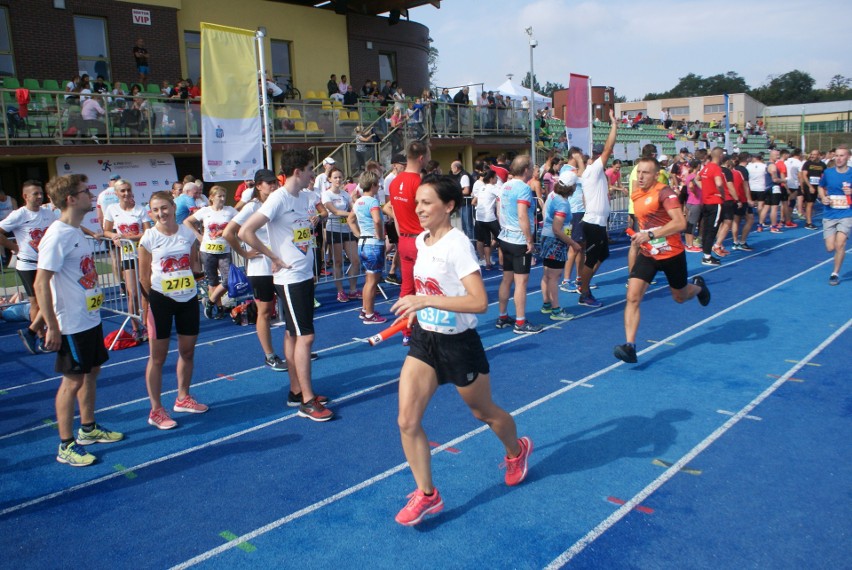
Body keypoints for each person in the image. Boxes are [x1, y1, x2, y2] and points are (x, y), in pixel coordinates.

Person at [391, 175, 533, 527]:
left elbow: (479, 302)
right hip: (426, 339)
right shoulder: (422, 242)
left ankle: (516, 451)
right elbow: (424, 288)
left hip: (459, 344)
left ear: (449, 206)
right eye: (417, 202)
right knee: (407, 420)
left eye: (427, 203)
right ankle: (427, 494)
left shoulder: (457, 245)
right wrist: (415, 307)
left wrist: (426, 299)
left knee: (483, 412)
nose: (419, 208)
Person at [35, 174, 123, 466]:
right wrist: (52, 325)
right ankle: (65, 444)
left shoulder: (76, 231)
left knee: (92, 372)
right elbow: (40, 283)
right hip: (70, 323)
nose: (92, 194)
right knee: (71, 381)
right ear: (71, 199)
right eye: (86, 191)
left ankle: (88, 429)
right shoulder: (57, 235)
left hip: (90, 317)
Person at [239, 155, 333, 421]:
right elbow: (246, 231)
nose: (312, 175)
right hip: (289, 278)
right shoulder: (278, 198)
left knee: (294, 334)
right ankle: (307, 400)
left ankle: (296, 391)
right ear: (296, 171)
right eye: (309, 170)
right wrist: (272, 257)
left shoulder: (303, 197)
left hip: (303, 275)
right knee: (306, 337)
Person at [614, 158, 711, 363]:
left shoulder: (665, 193)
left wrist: (650, 235)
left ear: (656, 175)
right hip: (649, 254)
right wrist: (641, 237)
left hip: (671, 253)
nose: (640, 176)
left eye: (646, 173)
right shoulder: (636, 193)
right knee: (632, 297)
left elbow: (680, 222)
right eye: (638, 172)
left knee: (680, 296)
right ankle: (630, 346)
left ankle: (699, 288)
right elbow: (645, 221)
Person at [138, 191, 207, 429]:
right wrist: (147, 305)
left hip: (187, 298)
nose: (161, 213)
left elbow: (192, 264)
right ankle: (156, 409)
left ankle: (183, 397)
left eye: (164, 208)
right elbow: (144, 276)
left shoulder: (187, 234)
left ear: (172, 206)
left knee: (187, 352)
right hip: (161, 301)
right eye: (156, 210)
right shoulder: (148, 237)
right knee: (157, 358)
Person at [224, 170, 287, 372]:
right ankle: (269, 356)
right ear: (258, 186)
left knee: (290, 308)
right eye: (269, 183)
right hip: (261, 268)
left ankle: (295, 349)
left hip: (282, 265)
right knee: (265, 312)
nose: (273, 186)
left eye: (275, 182)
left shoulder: (279, 203)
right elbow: (228, 232)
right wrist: (244, 252)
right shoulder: (252, 206)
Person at [1, 180, 55, 353]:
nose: (39, 197)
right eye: (35, 194)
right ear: (25, 197)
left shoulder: (48, 213)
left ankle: (33, 333)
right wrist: (14, 248)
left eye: (41, 193)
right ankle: (39, 337)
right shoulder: (19, 214)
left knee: (53, 299)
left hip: (46, 265)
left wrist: (92, 233)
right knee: (36, 303)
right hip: (28, 265)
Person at [388, 140, 429, 345]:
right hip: (420, 241)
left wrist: (400, 234)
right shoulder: (419, 183)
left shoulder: (395, 181)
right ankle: (426, 330)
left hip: (404, 240)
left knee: (406, 288)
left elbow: (393, 211)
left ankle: (406, 331)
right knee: (427, 288)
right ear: (421, 157)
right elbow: (426, 213)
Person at [495, 155, 542, 334]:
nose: (532, 170)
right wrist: (529, 239)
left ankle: (502, 316)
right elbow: (523, 215)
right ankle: (520, 322)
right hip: (518, 240)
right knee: (520, 283)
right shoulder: (523, 188)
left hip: (505, 237)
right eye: (531, 167)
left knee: (506, 279)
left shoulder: (505, 186)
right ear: (525, 170)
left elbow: (499, 211)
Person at [576, 110, 618, 307]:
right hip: (593, 223)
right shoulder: (593, 171)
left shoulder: (592, 172)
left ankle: (584, 283)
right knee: (590, 260)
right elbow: (609, 148)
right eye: (595, 155)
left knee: (602, 255)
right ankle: (583, 291)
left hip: (597, 222)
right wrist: (613, 124)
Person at [102, 179, 152, 341]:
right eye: (122, 191)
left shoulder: (140, 209)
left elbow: (147, 232)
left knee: (146, 293)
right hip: (128, 256)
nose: (126, 193)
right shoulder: (112, 209)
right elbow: (106, 231)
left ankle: (146, 325)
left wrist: (127, 237)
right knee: (132, 293)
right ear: (116, 193)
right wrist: (115, 236)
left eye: (128, 190)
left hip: (143, 254)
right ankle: (135, 327)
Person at [183, 185, 237, 319]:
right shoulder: (205, 211)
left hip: (224, 250)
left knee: (228, 280)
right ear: (212, 197)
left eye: (224, 196)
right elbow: (187, 221)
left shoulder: (230, 211)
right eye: (219, 196)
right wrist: (198, 235)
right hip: (207, 250)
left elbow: (241, 222)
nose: (222, 199)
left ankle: (210, 301)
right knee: (213, 282)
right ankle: (219, 308)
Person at [539, 170, 581, 321]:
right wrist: (573, 243)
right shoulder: (562, 203)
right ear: (571, 187)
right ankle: (556, 309)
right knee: (554, 277)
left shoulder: (552, 194)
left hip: (546, 236)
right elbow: (557, 229)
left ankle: (547, 304)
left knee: (547, 274)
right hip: (555, 240)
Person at [348, 171, 386, 324]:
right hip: (373, 244)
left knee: (368, 279)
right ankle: (369, 314)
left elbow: (350, 220)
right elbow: (377, 220)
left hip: (363, 243)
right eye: (378, 184)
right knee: (372, 280)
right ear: (373, 185)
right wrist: (379, 235)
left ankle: (365, 309)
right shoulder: (372, 202)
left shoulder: (358, 202)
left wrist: (359, 234)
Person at [322, 167, 361, 302]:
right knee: (337, 262)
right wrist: (353, 214)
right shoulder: (327, 195)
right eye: (335, 177)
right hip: (334, 229)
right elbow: (336, 212)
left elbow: (354, 206)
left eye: (340, 177)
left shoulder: (345, 194)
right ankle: (340, 291)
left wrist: (359, 205)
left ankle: (353, 289)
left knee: (355, 260)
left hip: (347, 229)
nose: (338, 180)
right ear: (330, 179)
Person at [817, 145, 852, 286]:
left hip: (847, 213)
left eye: (842, 155)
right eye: (836, 155)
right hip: (830, 213)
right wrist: (823, 197)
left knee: (840, 244)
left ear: (848, 157)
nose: (838, 158)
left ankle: (835, 273)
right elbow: (820, 187)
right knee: (830, 247)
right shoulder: (828, 172)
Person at [471, 168, 501, 270]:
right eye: (496, 177)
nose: (497, 179)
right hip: (489, 217)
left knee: (486, 240)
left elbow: (473, 201)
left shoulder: (481, 188)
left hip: (480, 217)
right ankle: (503, 263)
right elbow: (503, 196)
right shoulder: (493, 188)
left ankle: (488, 263)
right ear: (492, 179)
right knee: (501, 238)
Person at [799, 149, 825, 231]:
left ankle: (808, 220)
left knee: (811, 204)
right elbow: (804, 175)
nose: (812, 156)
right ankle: (808, 222)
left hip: (818, 186)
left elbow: (824, 176)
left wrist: (822, 187)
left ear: (818, 155)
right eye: (811, 154)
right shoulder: (807, 163)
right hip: (809, 186)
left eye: (814, 154)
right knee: (810, 204)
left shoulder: (822, 164)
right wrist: (810, 186)